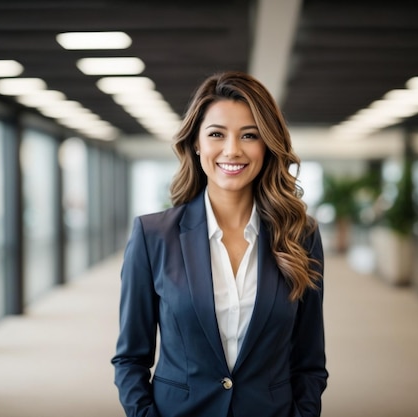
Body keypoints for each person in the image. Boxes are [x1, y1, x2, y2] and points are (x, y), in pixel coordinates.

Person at [111, 70, 328, 417]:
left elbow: (309, 361)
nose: (233, 150)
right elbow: (130, 359)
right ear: (197, 143)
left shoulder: (300, 236)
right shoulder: (153, 236)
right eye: (216, 134)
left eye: (249, 135)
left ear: (267, 145)